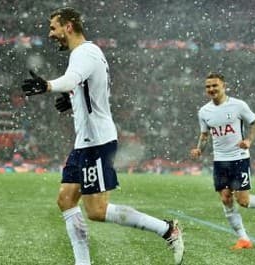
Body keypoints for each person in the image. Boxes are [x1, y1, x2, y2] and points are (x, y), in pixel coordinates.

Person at [21, 7, 184, 265]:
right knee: (66, 200)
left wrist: (49, 86)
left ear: (69, 26)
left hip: (96, 141)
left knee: (97, 210)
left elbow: (72, 78)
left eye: (54, 28)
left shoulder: (84, 52)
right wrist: (71, 98)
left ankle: (166, 229)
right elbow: (84, 86)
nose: (50, 34)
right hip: (84, 142)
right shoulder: (88, 53)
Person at [190, 72, 255, 250]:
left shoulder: (238, 105)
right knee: (225, 198)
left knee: (243, 201)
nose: (211, 89)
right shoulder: (204, 111)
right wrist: (200, 148)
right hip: (220, 161)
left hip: (239, 158)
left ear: (224, 86)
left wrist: (249, 141)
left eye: (215, 85)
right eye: (208, 86)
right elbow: (205, 134)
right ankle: (244, 238)